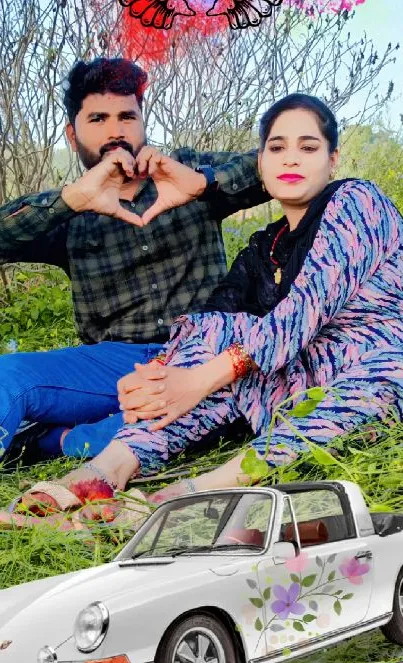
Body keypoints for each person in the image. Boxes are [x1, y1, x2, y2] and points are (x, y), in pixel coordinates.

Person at [2, 93, 403, 530]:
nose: (291, 159)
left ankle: (190, 494)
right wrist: (158, 375)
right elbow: (205, 327)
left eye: (308, 148)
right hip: (295, 377)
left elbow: (298, 319)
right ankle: (105, 471)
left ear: (332, 159)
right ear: (263, 163)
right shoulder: (261, 248)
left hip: (374, 370)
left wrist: (195, 380)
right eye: (277, 148)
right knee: (216, 327)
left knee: (385, 370)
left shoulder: (357, 202)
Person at [0, 56, 267, 463]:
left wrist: (205, 182)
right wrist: (72, 199)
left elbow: (278, 163)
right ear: (73, 136)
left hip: (200, 358)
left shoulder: (186, 172)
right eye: (98, 119)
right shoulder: (68, 214)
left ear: (143, 122)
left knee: (225, 396)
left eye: (127, 116)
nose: (115, 130)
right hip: (113, 367)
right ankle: (86, 432)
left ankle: (62, 440)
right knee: (9, 378)